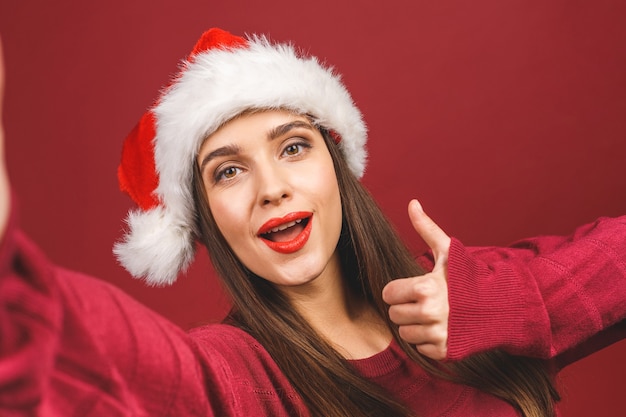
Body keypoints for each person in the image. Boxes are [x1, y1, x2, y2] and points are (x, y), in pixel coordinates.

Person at [1, 28, 624, 417]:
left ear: (336, 165)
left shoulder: (467, 295)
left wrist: (502, 307)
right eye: (228, 172)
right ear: (205, 219)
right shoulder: (236, 375)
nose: (272, 188)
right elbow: (97, 359)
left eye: (293, 147)